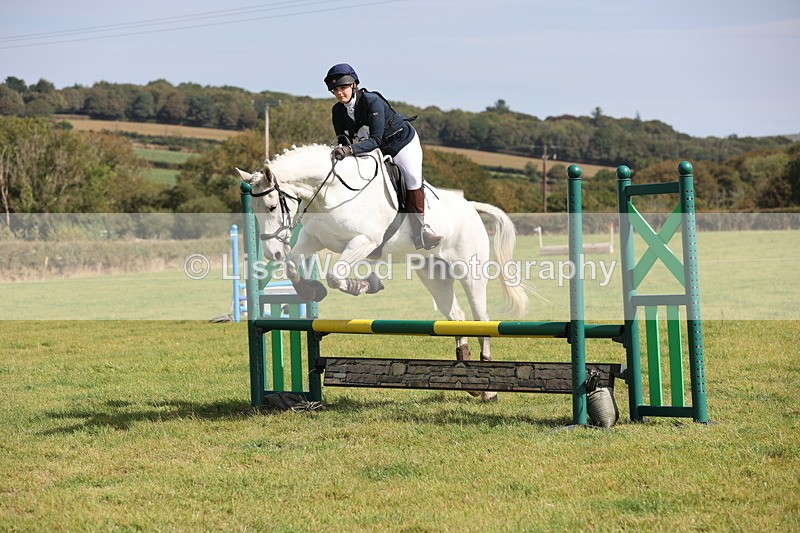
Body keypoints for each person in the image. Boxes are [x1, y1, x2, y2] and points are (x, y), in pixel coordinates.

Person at [324, 63, 442, 250]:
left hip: (401, 143)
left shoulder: (372, 102)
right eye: (335, 90)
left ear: (354, 85)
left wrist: (349, 150)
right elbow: (343, 141)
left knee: (411, 177)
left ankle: (422, 231)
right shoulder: (337, 111)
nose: (339, 93)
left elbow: (376, 140)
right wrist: (343, 151)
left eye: (343, 88)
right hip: (372, 147)